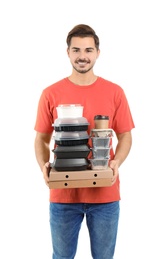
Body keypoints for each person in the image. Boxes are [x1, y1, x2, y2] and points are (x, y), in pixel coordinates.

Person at [34, 24, 135, 259]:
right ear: (68, 52)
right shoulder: (51, 93)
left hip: (105, 196)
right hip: (63, 197)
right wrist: (44, 167)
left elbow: (125, 135)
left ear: (98, 53)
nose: (82, 56)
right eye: (76, 50)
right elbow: (41, 138)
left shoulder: (114, 92)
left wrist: (116, 161)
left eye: (88, 50)